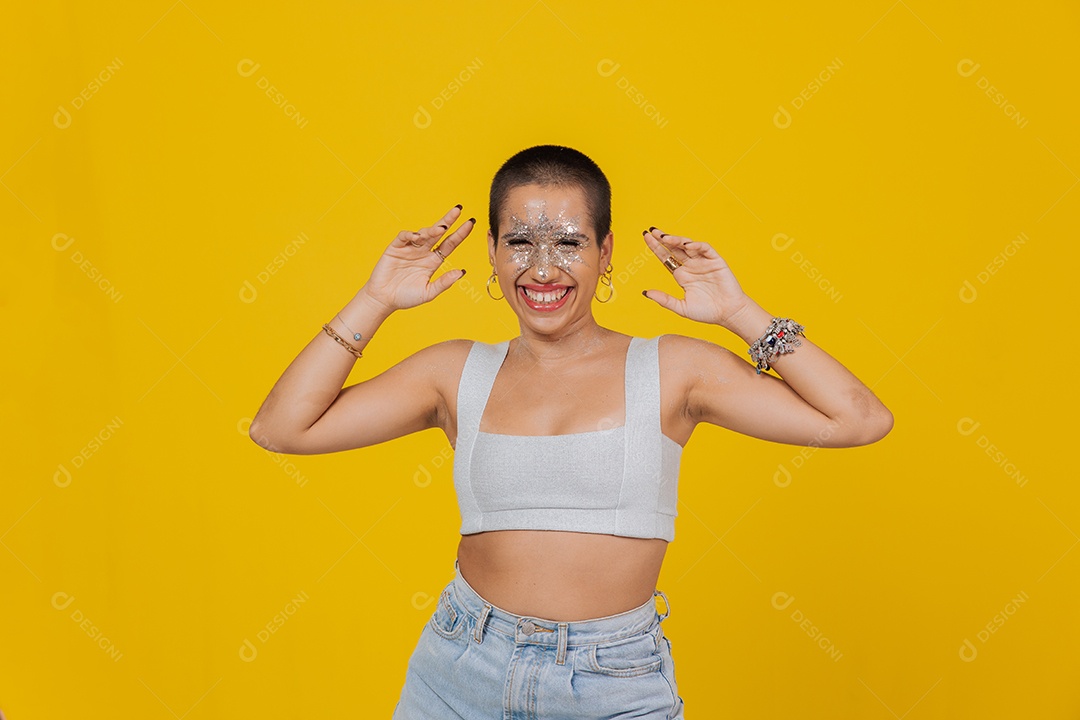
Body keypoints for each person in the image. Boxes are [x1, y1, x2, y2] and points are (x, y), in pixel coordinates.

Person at [248, 144, 893, 718]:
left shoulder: (674, 370)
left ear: (605, 251)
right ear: (494, 252)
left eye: (568, 241)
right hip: (458, 668)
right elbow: (281, 428)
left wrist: (738, 312)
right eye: (521, 241)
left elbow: (859, 419)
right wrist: (376, 297)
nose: (543, 268)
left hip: (612, 681)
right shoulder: (453, 372)